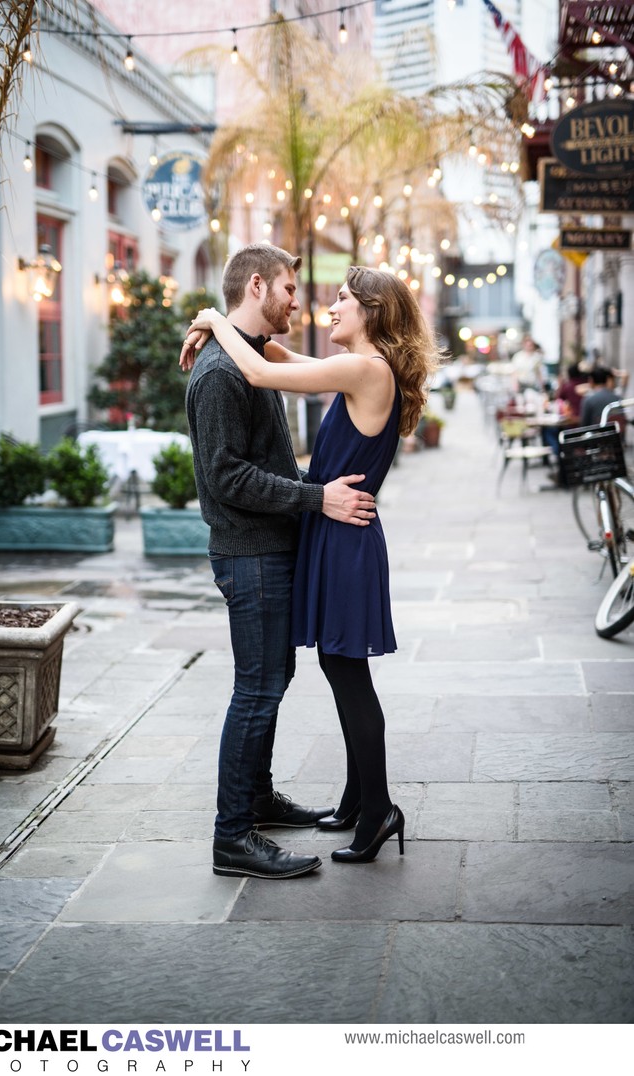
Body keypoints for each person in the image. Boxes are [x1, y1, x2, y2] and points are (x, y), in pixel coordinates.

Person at [183, 265, 440, 864]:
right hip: (335, 535)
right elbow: (273, 350)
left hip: (344, 541)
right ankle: (357, 800)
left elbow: (260, 369)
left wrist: (215, 320)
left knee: (348, 676)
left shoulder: (364, 368)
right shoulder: (361, 368)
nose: (330, 306)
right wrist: (216, 323)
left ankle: (377, 812)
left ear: (372, 312)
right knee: (340, 669)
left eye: (343, 299)